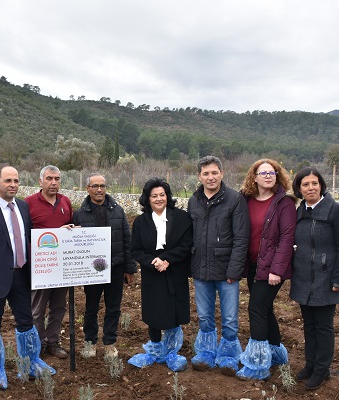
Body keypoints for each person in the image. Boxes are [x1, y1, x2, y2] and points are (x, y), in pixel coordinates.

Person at [0, 166, 54, 390]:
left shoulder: (23, 207)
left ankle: (29, 362)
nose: (13, 185)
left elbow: (32, 238)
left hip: (21, 276)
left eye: (16, 181)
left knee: (26, 321)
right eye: (8, 180)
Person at [187, 156, 250, 375]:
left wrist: (234, 270)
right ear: (199, 176)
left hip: (226, 271)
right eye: (206, 173)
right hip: (201, 269)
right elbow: (189, 236)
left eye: (214, 172)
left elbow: (241, 239)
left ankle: (229, 355)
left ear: (222, 173)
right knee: (204, 316)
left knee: (230, 318)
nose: (210, 177)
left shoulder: (234, 200)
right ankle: (206, 353)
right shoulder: (193, 200)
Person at [291, 167, 339, 390]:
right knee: (309, 325)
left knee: (324, 326)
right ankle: (310, 364)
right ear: (299, 188)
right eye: (305, 184)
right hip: (303, 278)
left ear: (321, 186)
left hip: (326, 279)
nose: (310, 188)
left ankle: (322, 370)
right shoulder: (300, 212)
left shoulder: (336, 211)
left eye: (314, 183)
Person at [236, 159, 296, 380]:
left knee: (256, 309)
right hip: (253, 265)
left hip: (272, 268)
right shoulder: (246, 200)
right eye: (263, 173)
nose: (268, 176)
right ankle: (276, 354)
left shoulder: (284, 203)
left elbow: (286, 238)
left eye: (272, 172)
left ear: (278, 176)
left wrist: (277, 270)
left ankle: (258, 364)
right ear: (254, 177)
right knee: (265, 309)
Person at [127, 178, 192, 372]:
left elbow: (186, 244)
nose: (158, 199)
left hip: (174, 271)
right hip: (152, 274)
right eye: (154, 196)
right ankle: (155, 350)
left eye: (162, 195)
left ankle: (172, 352)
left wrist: (167, 259)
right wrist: (152, 262)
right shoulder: (140, 222)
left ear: (167, 196)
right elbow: (135, 249)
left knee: (173, 312)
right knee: (153, 312)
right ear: (147, 199)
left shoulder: (181, 217)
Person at [72, 173, 136, 358]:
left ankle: (109, 342)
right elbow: (74, 243)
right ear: (88, 189)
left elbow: (127, 239)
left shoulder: (118, 210)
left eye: (102, 186)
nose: (99, 189)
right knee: (91, 307)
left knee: (113, 307)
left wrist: (129, 268)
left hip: (115, 267)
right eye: (95, 186)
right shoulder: (80, 214)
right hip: (92, 270)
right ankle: (90, 342)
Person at [25, 165, 72, 359]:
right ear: (40, 181)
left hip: (61, 266)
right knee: (37, 309)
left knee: (59, 307)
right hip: (41, 267)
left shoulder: (65, 201)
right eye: (50, 178)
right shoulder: (28, 203)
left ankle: (53, 342)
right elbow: (24, 234)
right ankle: (39, 344)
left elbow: (70, 229)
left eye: (57, 179)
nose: (54, 182)